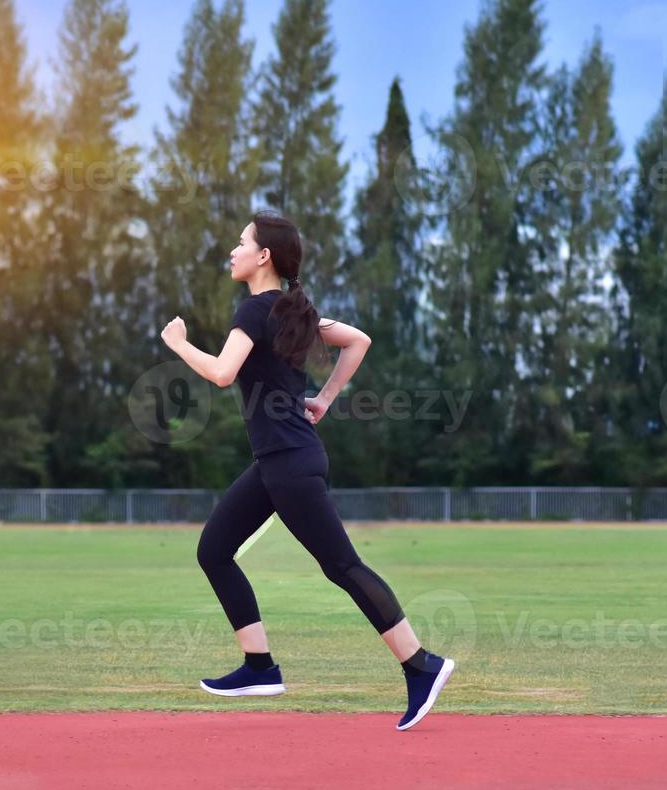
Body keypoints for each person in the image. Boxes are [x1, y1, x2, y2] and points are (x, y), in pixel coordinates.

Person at [159, 210, 455, 731]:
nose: (233, 249)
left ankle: (421, 665)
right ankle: (259, 667)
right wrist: (324, 399)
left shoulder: (255, 311)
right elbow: (357, 340)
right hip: (279, 462)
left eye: (241, 241)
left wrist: (179, 344)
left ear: (263, 256)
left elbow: (224, 374)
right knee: (214, 550)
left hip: (290, 465)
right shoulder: (291, 311)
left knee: (342, 566)